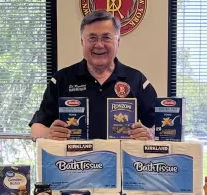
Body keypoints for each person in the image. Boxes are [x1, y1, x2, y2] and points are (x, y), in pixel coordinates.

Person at [30, 10, 157, 141]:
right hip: (75, 161)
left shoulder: (137, 80)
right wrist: (49, 134)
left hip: (122, 160)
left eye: (106, 37)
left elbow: (162, 128)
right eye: (92, 38)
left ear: (118, 41)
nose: (99, 45)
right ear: (82, 41)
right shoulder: (61, 79)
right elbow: (36, 129)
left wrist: (149, 134)